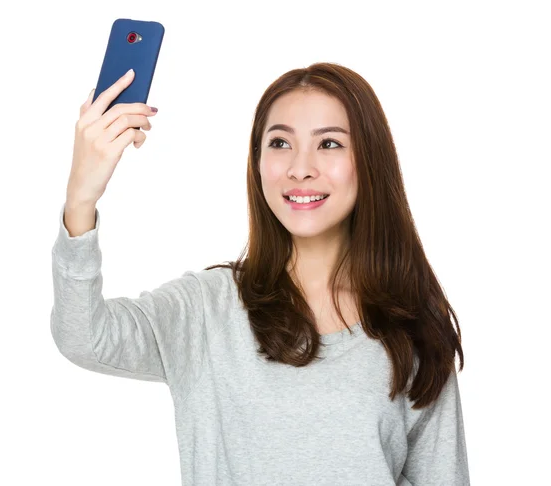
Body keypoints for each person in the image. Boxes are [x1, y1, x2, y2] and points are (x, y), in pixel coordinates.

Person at [51, 62, 470, 485]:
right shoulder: (208, 309)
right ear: (257, 162)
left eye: (329, 143)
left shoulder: (411, 326)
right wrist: (81, 199)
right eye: (280, 142)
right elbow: (86, 337)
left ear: (369, 160)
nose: (300, 167)